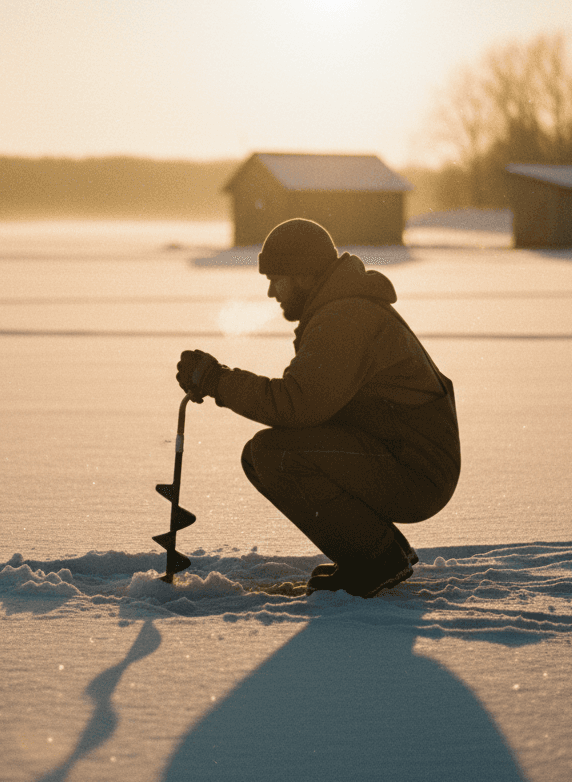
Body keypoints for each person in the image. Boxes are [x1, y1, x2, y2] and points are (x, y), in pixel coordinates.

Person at [176, 218, 460, 597]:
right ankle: (375, 550)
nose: (271, 291)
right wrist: (218, 382)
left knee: (273, 455)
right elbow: (310, 405)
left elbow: (296, 405)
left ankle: (378, 559)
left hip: (415, 470)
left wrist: (218, 381)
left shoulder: (345, 319)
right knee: (261, 456)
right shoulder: (339, 310)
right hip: (404, 455)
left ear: (305, 274)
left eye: (278, 278)